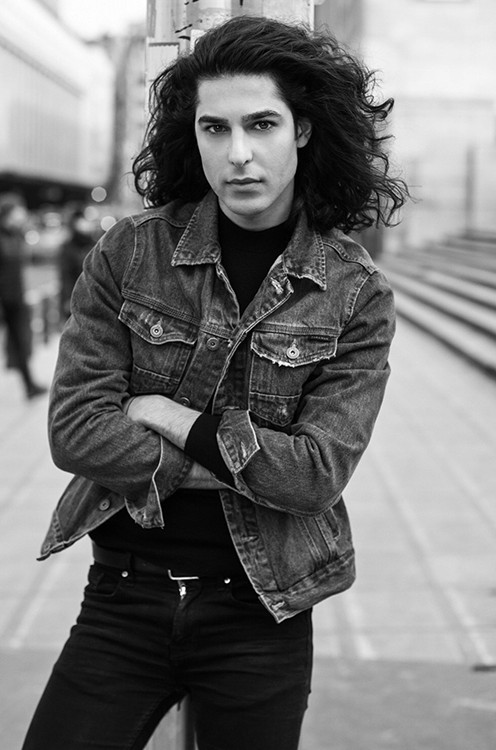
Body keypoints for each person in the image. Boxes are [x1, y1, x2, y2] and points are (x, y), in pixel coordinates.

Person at [22, 15, 408, 750]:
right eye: (214, 128)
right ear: (192, 136)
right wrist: (243, 462)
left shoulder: (356, 292)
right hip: (124, 597)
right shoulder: (131, 252)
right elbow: (74, 431)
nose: (238, 155)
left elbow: (313, 477)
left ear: (301, 130)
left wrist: (165, 414)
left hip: (261, 612)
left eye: (261, 124)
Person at [0, 193, 47, 399]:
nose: (22, 215)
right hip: (3, 300)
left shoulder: (16, 235)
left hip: (15, 299)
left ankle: (29, 385)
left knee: (21, 343)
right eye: (18, 212)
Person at [59, 207, 97, 320]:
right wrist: (67, 299)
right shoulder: (68, 247)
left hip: (94, 300)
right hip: (75, 298)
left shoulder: (95, 244)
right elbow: (65, 276)